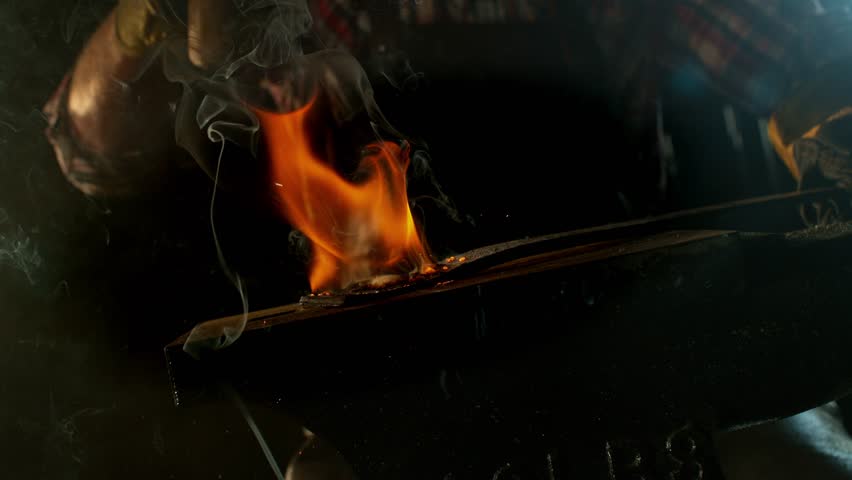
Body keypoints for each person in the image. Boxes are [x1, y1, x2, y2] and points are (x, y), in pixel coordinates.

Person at [40, 0, 852, 478]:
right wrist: (156, 10)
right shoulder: (302, 13)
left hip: (645, 335)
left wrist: (832, 134)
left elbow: (804, 66)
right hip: (408, 384)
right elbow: (93, 145)